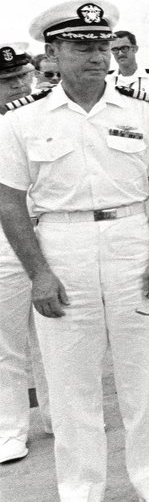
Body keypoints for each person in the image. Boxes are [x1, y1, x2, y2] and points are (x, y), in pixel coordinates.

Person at [0, 0, 149, 501]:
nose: (97, 56)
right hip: (62, 248)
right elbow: (10, 201)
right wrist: (38, 272)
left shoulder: (143, 110)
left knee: (143, 378)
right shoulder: (22, 120)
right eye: (81, 47)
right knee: (70, 385)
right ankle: (81, 489)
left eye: (102, 45)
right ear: (53, 53)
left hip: (131, 244)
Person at [0, 42, 49, 467]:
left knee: (56, 336)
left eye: (21, 76)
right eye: (7, 81)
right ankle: (10, 429)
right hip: (3, 243)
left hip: (49, 231)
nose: (18, 85)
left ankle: (59, 416)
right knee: (7, 343)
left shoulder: (43, 116)